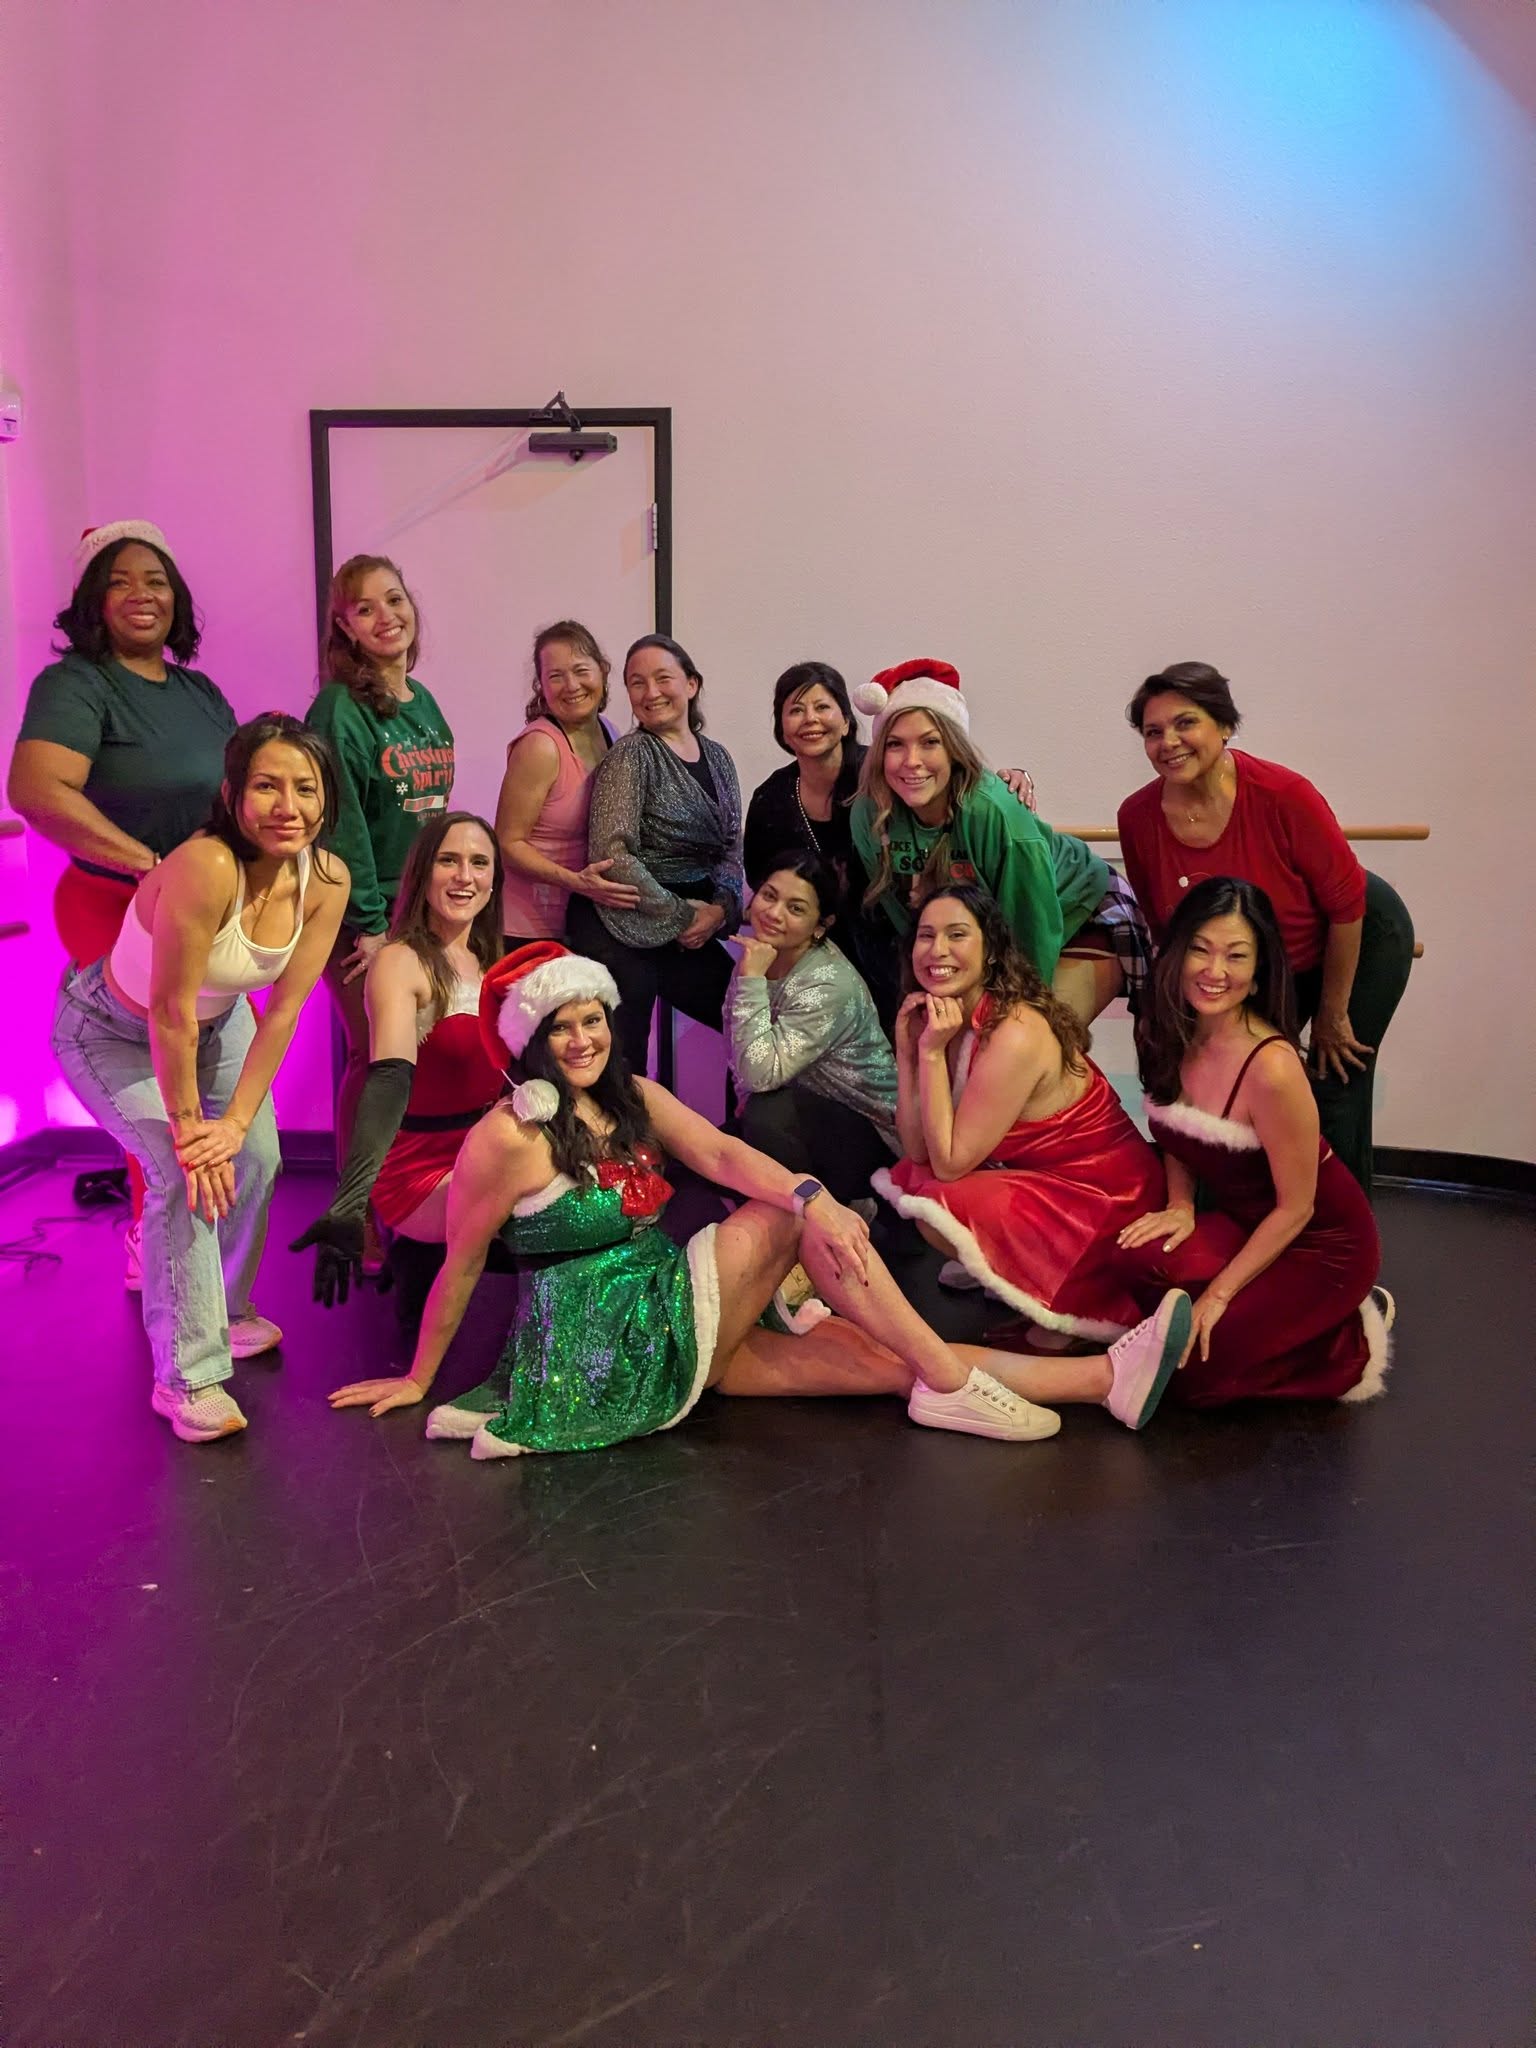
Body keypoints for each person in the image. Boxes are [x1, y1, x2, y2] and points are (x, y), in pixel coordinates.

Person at [326, 942, 1188, 1452]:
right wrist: (417, 1378)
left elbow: (724, 1152)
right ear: (532, 1040)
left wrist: (817, 1192)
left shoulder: (632, 1096)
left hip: (664, 1310)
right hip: (600, 1348)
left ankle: (1101, 1377)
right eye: (563, 1025)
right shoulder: (508, 1136)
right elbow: (464, 1265)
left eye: (593, 1019)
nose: (584, 1038)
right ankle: (953, 1376)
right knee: (785, 1214)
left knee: (887, 1358)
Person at [50, 715, 350, 1442]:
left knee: (258, 1157)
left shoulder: (325, 880)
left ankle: (227, 1308)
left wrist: (237, 1124)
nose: (289, 806)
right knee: (183, 1175)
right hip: (111, 1030)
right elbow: (168, 1011)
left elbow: (281, 1015)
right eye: (267, 786)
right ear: (231, 794)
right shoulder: (205, 866)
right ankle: (187, 1375)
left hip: (220, 1024)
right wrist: (191, 1130)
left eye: (305, 789)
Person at [9, 520, 239, 1285]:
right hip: (113, 902)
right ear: (92, 600)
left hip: (193, 906)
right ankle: (155, 1241)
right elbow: (37, 791)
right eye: (121, 581)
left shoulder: (197, 691)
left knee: (210, 1072)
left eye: (158, 581)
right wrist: (150, 865)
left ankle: (201, 1244)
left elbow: (238, 792)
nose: (143, 596)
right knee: (156, 1078)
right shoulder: (76, 685)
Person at [874, 884, 1189, 1430]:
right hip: (1053, 1179)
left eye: (957, 935)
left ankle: (1064, 1316)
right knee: (916, 1179)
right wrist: (909, 1053)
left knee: (939, 1195)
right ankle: (1018, 1275)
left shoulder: (1015, 1029)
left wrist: (927, 1052)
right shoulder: (951, 1016)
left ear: (991, 950)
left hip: (1106, 1195)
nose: (937, 950)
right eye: (926, 936)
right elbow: (919, 1148)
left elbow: (949, 1164)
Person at [1116, 660, 1414, 1197]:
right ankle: (1246, 1225)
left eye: (1186, 723)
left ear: (1224, 726)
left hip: (1357, 936)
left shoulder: (1283, 795)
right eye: (1153, 732)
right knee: (1226, 1077)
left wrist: (1331, 1013)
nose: (1169, 742)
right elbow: (1169, 928)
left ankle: (1343, 1249)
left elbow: (1347, 908)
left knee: (1332, 1078)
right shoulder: (1137, 817)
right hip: (1252, 961)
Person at [1115, 877, 1391, 1405]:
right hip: (1247, 1225)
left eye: (1236, 956)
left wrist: (1220, 1294)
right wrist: (1179, 1204)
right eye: (1200, 949)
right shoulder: (1164, 1026)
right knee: (1134, 1259)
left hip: (1322, 1244)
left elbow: (1298, 1207)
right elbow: (1175, 1132)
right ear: (1175, 953)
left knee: (1190, 1371)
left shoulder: (1273, 1068)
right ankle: (1286, 1324)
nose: (1215, 972)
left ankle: (1347, 1335)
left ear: (1259, 970)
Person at [289, 812, 505, 1331]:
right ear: (421, 873)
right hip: (421, 1168)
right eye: (448, 861)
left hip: (484, 1150)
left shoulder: (491, 957)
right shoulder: (399, 962)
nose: (464, 877)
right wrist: (349, 1200)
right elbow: (387, 1081)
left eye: (479, 863)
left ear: (495, 879)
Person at [851, 661, 1150, 1025]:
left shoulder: (994, 813)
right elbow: (908, 920)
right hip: (984, 934)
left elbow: (1030, 922)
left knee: (1032, 1036)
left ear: (954, 750)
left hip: (1077, 908)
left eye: (930, 743)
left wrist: (1015, 1014)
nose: (912, 762)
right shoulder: (870, 813)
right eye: (895, 745)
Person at [305, 554, 455, 1252]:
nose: (386, 615)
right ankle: (356, 1211)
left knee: (416, 1057)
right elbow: (341, 825)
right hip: (363, 915)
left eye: (394, 599)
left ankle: (410, 1192)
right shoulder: (339, 707)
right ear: (345, 625)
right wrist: (368, 925)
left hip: (422, 912)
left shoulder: (422, 702)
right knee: (375, 1060)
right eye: (365, 608)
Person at [565, 634, 744, 1074]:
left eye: (663, 678)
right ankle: (627, 1142)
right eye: (636, 683)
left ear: (692, 684)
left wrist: (720, 910)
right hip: (621, 920)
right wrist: (684, 915)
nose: (650, 693)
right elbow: (613, 855)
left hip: (694, 917)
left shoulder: (718, 758)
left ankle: (739, 1129)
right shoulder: (630, 755)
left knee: (746, 1020)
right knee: (625, 1053)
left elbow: (731, 846)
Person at [724, 851, 898, 1205]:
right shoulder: (761, 956)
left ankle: (841, 1213)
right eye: (769, 895)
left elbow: (758, 1073)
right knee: (703, 1154)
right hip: (805, 1113)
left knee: (765, 1115)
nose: (774, 913)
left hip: (872, 1133)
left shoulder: (828, 983)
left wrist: (751, 980)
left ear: (821, 925)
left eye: (796, 908)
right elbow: (740, 1049)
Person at [494, 619, 638, 944]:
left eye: (580, 670)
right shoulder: (540, 746)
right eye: (555, 677)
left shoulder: (610, 732)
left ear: (602, 671)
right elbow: (507, 843)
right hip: (527, 927)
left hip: (586, 920)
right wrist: (575, 881)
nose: (571, 685)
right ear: (541, 687)